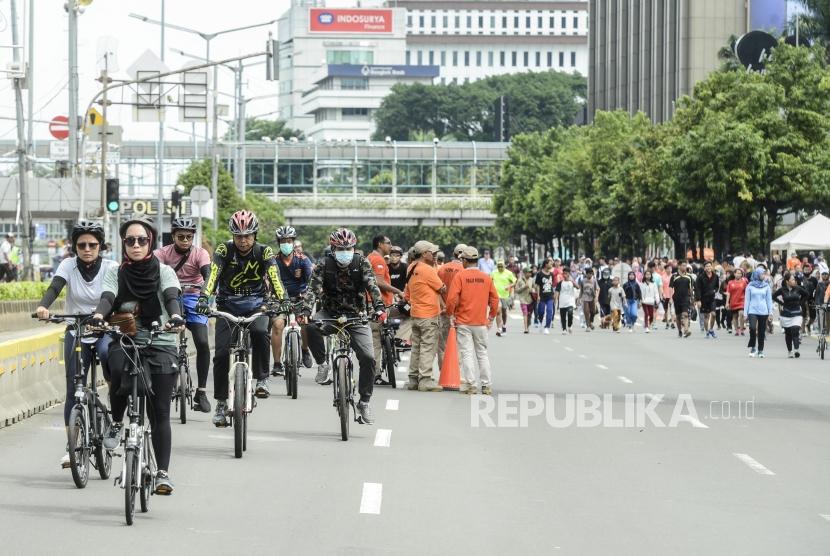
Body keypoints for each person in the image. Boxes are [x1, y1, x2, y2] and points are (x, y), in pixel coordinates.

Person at [94, 215, 185, 495]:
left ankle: (162, 473)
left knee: (160, 413)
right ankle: (117, 422)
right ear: (124, 244)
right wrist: (99, 314)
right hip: (128, 339)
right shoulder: (116, 272)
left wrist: (176, 316)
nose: (136, 245)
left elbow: (171, 297)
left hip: (162, 341)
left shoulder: (165, 272)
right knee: (117, 368)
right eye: (130, 240)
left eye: (142, 240)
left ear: (151, 243)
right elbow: (109, 297)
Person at [35, 220, 118, 469]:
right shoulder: (67, 265)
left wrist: (101, 317)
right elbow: (55, 287)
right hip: (77, 330)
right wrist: (43, 306)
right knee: (73, 389)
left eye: (92, 244)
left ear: (100, 246)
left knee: (107, 354)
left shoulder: (111, 267)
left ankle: (115, 406)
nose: (87, 248)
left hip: (103, 329)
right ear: (74, 247)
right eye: (81, 244)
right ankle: (70, 445)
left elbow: (109, 296)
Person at [197, 210, 286, 426]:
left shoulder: (264, 252)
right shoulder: (223, 250)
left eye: (247, 235)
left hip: (257, 305)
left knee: (259, 332)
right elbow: (213, 275)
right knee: (219, 354)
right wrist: (204, 298)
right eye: (238, 236)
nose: (243, 240)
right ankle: (220, 403)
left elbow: (275, 277)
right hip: (227, 306)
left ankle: (262, 379)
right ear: (233, 236)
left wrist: (283, 299)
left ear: (255, 235)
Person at [304, 228, 386, 424]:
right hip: (330, 314)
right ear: (333, 248)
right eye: (341, 248)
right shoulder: (323, 265)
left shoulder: (361, 262)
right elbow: (312, 290)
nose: (345, 251)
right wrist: (306, 311)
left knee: (368, 357)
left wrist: (380, 308)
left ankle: (364, 402)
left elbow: (372, 286)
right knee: (310, 327)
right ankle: (322, 364)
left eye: (349, 248)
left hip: (356, 316)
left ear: (354, 247)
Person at [153, 217, 212, 413]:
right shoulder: (162, 253)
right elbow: (153, 272)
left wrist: (205, 295)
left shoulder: (200, 254)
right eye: (181, 236)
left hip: (194, 297)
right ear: (173, 236)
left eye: (189, 237)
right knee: (162, 341)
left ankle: (201, 392)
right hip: (170, 299)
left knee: (202, 342)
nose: (185, 240)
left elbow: (208, 275)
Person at [445, 246, 499, 395]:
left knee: (467, 353)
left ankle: (471, 385)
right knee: (482, 354)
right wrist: (491, 317)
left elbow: (451, 299)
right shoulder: (486, 277)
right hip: (481, 323)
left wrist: (450, 314)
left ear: (464, 260)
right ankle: (486, 385)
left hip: (463, 322)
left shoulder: (460, 277)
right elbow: (495, 299)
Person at [270, 226, 314, 377]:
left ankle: (305, 349)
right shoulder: (273, 261)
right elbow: (267, 282)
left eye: (289, 241)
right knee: (277, 324)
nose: (286, 244)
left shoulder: (303, 260)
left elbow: (311, 283)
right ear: (279, 243)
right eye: (283, 241)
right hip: (279, 299)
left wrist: (308, 297)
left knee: (305, 321)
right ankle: (277, 363)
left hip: (299, 298)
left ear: (293, 242)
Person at [402, 240, 447, 391]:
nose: (435, 255)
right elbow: (442, 288)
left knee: (416, 348)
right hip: (429, 315)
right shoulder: (427, 269)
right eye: (432, 253)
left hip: (415, 314)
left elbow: (407, 292)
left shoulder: (411, 267)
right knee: (428, 347)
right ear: (424, 254)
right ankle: (425, 380)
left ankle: (413, 379)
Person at [367, 235, 403, 382]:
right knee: (376, 338)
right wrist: (398, 291)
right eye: (388, 243)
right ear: (380, 244)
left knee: (375, 337)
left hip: (373, 303)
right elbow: (379, 282)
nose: (391, 246)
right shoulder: (378, 259)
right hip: (378, 304)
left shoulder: (370, 257)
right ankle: (375, 374)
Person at [436, 244, 466, 365]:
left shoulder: (442, 269)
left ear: (453, 254)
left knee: (442, 344)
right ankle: (454, 375)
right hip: (460, 313)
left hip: (443, 311)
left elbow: (436, 290)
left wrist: (444, 305)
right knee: (458, 344)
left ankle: (443, 372)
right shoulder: (465, 271)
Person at [773, 272, 808, 358]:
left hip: (797, 313)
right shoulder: (782, 290)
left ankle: (796, 350)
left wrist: (801, 303)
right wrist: (781, 303)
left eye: (794, 279)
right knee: (788, 334)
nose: (794, 281)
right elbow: (773, 296)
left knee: (795, 330)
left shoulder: (798, 288)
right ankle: (790, 351)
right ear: (787, 281)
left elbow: (806, 294)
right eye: (792, 279)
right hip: (786, 314)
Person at [744, 268, 773, 358]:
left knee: (761, 331)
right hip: (752, 310)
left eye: (764, 274)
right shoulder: (750, 286)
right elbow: (747, 300)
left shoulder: (766, 286)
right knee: (752, 328)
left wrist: (770, 312)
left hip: (763, 311)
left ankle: (760, 350)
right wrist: (745, 313)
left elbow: (769, 300)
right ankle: (753, 347)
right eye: (762, 274)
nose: (763, 276)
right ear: (757, 274)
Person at [491, 259, 516, 337]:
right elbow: (489, 281)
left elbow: (514, 281)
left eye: (501, 266)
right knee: (498, 311)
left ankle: (504, 325)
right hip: (496, 296)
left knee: (504, 312)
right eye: (499, 266)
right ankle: (499, 328)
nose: (500, 268)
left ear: (504, 266)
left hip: (505, 296)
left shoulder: (509, 273)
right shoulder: (494, 273)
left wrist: (509, 286)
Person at [695, 261, 720, 338]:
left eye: (709, 266)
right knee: (706, 316)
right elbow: (697, 289)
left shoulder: (715, 276)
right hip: (703, 298)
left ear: (712, 267)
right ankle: (707, 332)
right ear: (704, 268)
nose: (708, 268)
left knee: (713, 314)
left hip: (712, 298)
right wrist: (698, 300)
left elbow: (717, 286)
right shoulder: (700, 277)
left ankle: (711, 329)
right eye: (707, 266)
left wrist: (715, 290)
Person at [670, 262, 695, 338]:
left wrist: (692, 299)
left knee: (685, 314)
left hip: (686, 298)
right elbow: (671, 288)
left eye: (685, 265)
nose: (685, 267)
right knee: (678, 316)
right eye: (683, 265)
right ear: (679, 266)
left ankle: (686, 330)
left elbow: (690, 289)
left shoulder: (689, 277)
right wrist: (671, 298)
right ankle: (680, 331)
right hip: (677, 298)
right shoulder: (674, 276)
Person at [554, 267, 577, 334]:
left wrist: (572, 281)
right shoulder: (560, 283)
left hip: (570, 301)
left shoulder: (571, 282)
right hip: (562, 301)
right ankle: (564, 329)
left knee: (570, 313)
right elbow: (557, 291)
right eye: (563, 274)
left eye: (566, 273)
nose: (564, 275)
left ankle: (569, 326)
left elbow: (578, 287)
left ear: (569, 274)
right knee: (563, 316)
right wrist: (555, 299)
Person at [535, 259, 555, 334]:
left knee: (550, 311)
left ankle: (547, 327)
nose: (551, 265)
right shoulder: (539, 274)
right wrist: (538, 295)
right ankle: (540, 321)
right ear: (546, 264)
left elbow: (552, 285)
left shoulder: (551, 274)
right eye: (550, 264)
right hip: (542, 295)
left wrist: (554, 295)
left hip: (550, 295)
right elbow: (537, 286)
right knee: (541, 311)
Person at [726, 268, 748, 336]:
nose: (738, 274)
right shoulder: (730, 283)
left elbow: (747, 292)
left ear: (742, 275)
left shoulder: (744, 282)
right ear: (734, 274)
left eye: (740, 273)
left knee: (741, 314)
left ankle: (741, 329)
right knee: (735, 316)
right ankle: (736, 330)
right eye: (737, 273)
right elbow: (728, 293)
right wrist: (727, 302)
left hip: (742, 301)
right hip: (733, 301)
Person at [514, 267, 535, 333]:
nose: (530, 274)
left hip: (530, 300)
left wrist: (533, 290)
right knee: (525, 313)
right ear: (525, 273)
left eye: (530, 272)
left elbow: (534, 287)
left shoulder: (532, 280)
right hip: (523, 300)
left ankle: (528, 325)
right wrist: (524, 287)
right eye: (528, 272)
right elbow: (516, 290)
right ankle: (525, 328)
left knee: (529, 315)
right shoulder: (520, 280)